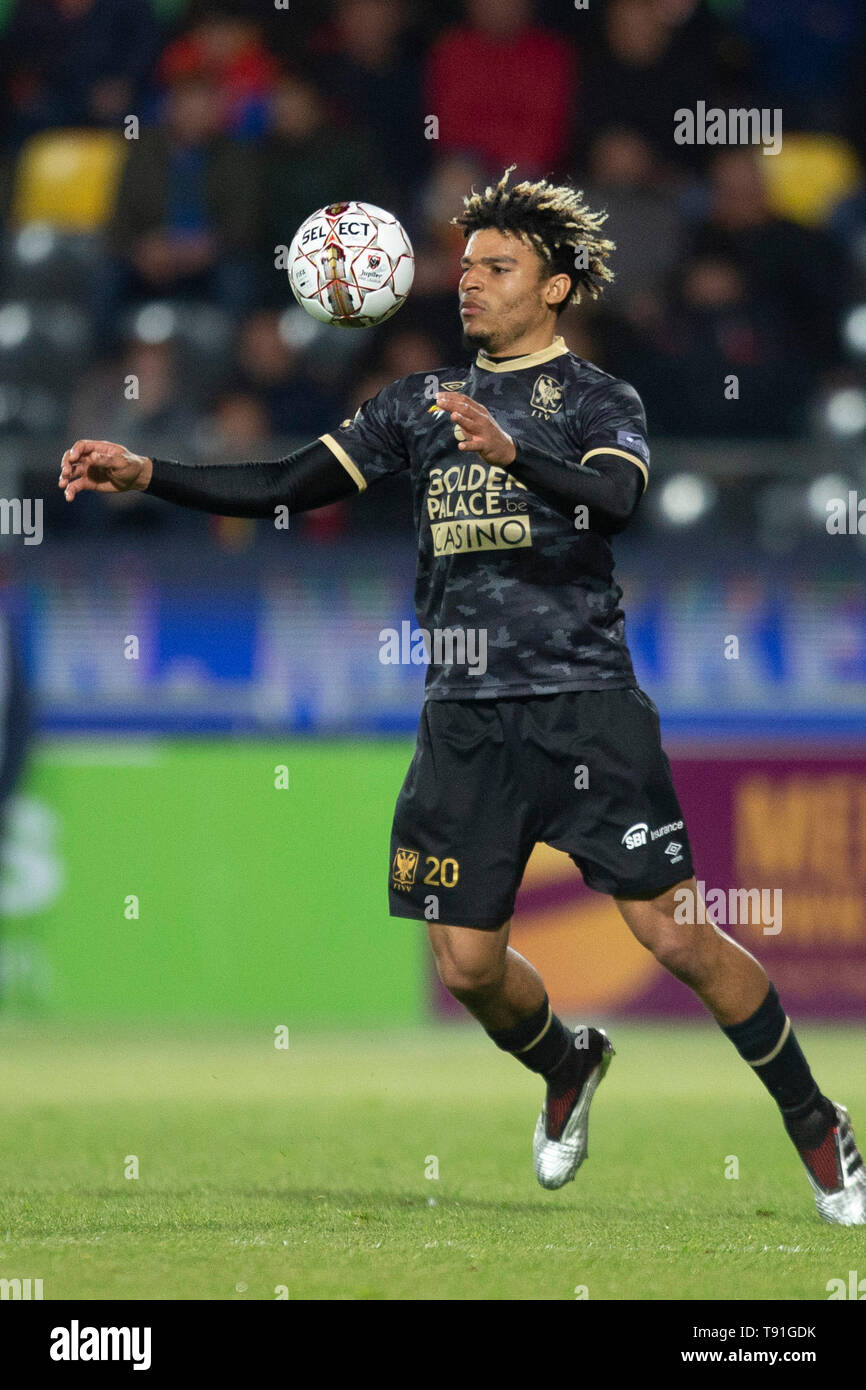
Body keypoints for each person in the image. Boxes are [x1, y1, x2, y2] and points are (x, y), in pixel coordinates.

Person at [59, 169, 866, 1225]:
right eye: (466, 267)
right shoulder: (415, 404)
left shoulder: (594, 398)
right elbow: (286, 485)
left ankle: (816, 1126)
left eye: (498, 267)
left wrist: (514, 453)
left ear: (558, 286)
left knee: (673, 936)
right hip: (463, 716)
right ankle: (568, 1063)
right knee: (468, 967)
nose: (469, 284)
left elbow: (616, 500)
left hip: (583, 702)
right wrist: (146, 471)